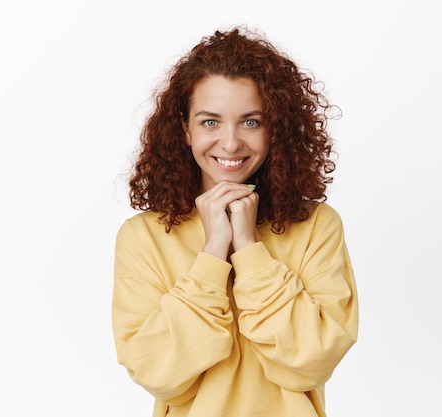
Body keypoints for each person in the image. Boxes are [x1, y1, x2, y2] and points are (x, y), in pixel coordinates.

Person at [112, 26, 359, 417]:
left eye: (251, 122)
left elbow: (312, 361)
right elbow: (157, 372)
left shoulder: (316, 226)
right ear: (185, 130)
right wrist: (213, 252)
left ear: (274, 128)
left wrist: (248, 249)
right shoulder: (144, 237)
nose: (230, 143)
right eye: (210, 122)